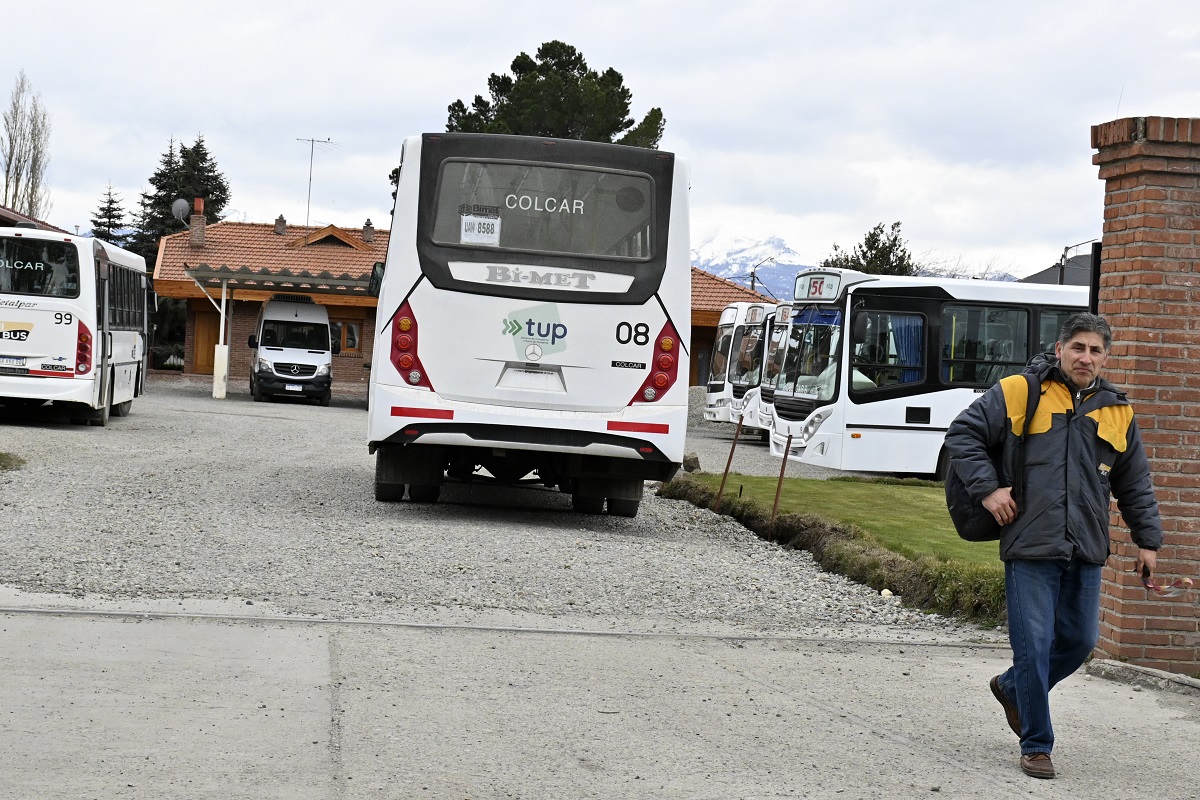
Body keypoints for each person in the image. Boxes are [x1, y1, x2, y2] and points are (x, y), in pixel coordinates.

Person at [944, 312, 1161, 780]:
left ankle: (1011, 688)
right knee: (1035, 645)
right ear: (1060, 348)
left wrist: (1147, 541)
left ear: (1106, 357)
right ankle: (1037, 744)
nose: (1086, 357)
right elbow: (963, 434)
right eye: (1078, 347)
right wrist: (988, 489)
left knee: (1080, 641)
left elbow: (1135, 482)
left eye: (1096, 350)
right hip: (1030, 541)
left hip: (1086, 544)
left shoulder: (1117, 410)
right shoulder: (1019, 391)